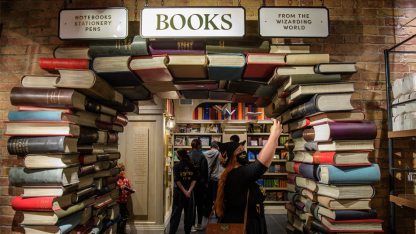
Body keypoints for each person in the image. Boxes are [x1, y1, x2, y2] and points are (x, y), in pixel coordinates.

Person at [215, 119, 282, 234]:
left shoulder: (237, 172)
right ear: (232, 157)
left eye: (243, 150)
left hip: (249, 223)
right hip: (244, 226)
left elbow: (262, 160)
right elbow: (260, 165)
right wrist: (273, 135)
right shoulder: (237, 174)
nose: (244, 153)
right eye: (239, 151)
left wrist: (275, 139)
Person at [169, 149, 197, 234]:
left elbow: (177, 181)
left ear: (179, 155)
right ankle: (187, 232)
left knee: (175, 215)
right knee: (189, 215)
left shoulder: (176, 166)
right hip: (189, 194)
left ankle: (172, 232)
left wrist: (184, 191)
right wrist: (189, 191)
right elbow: (194, 180)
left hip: (179, 194)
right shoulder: (192, 165)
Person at [189, 139, 208, 232]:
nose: (201, 146)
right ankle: (199, 224)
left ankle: (192, 225)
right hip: (200, 184)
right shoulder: (202, 156)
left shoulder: (188, 155)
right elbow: (205, 171)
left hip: (190, 184)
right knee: (200, 204)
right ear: (198, 145)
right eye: (201, 144)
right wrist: (205, 183)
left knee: (192, 205)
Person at [203, 141, 223, 217]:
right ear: (217, 147)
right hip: (217, 178)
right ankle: (218, 213)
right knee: (218, 197)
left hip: (208, 178)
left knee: (209, 197)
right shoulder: (220, 154)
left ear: (210, 146)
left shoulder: (204, 154)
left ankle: (207, 213)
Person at [116, 163, 135, 234]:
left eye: (123, 170)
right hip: (118, 202)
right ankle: (119, 231)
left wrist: (130, 191)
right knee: (120, 216)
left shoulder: (126, 180)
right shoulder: (116, 180)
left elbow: (129, 189)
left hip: (124, 201)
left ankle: (122, 230)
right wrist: (120, 188)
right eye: (120, 170)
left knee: (125, 216)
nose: (122, 172)